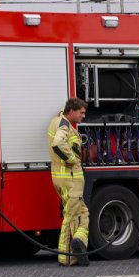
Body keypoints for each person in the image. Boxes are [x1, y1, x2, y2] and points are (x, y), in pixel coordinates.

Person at [48, 98, 89, 267]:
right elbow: (58, 143)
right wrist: (72, 158)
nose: (83, 116)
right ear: (71, 111)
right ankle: (67, 257)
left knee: (83, 213)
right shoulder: (64, 124)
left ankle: (79, 240)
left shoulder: (58, 121)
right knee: (71, 216)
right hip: (70, 179)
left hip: (63, 177)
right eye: (81, 112)